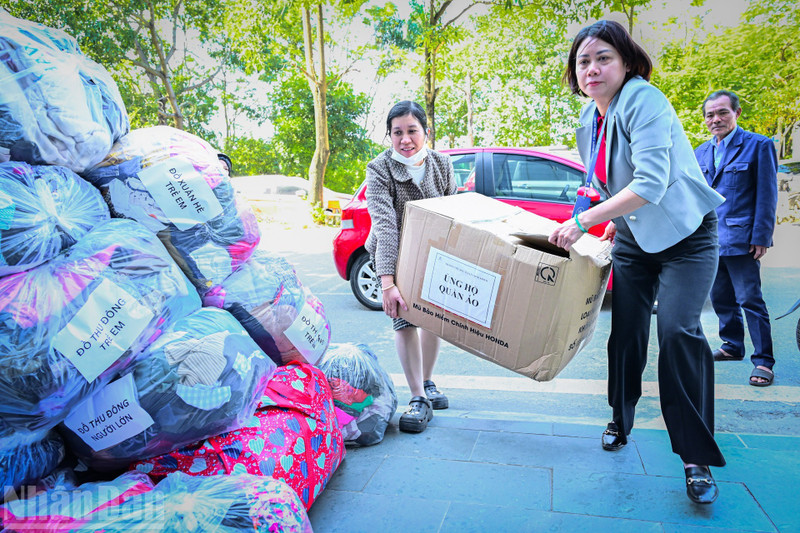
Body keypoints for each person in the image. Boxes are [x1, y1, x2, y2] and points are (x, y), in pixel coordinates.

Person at [548, 20, 726, 504]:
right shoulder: (590, 120)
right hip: (631, 240)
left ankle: (696, 459)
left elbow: (648, 184)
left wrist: (583, 222)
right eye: (583, 61)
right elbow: (608, 185)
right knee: (625, 331)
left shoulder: (644, 100)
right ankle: (619, 418)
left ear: (626, 62)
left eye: (603, 57)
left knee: (677, 331)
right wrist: (601, 220)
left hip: (686, 238)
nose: (592, 68)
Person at [364, 100, 456, 433]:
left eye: (412, 131)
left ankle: (428, 381)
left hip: (434, 253)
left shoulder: (442, 164)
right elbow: (385, 225)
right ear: (389, 135)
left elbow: (453, 212)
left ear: (425, 131)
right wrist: (388, 284)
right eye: (397, 132)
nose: (405, 139)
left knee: (434, 320)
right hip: (396, 254)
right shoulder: (379, 169)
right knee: (404, 320)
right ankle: (417, 397)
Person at [694, 91, 778, 387]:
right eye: (709, 115)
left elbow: (767, 195)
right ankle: (732, 346)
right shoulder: (700, 152)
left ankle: (763, 361)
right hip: (709, 241)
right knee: (720, 298)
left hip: (743, 239)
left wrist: (761, 236)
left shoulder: (758, 145)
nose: (715, 119)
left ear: (737, 113)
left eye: (722, 113)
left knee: (749, 299)